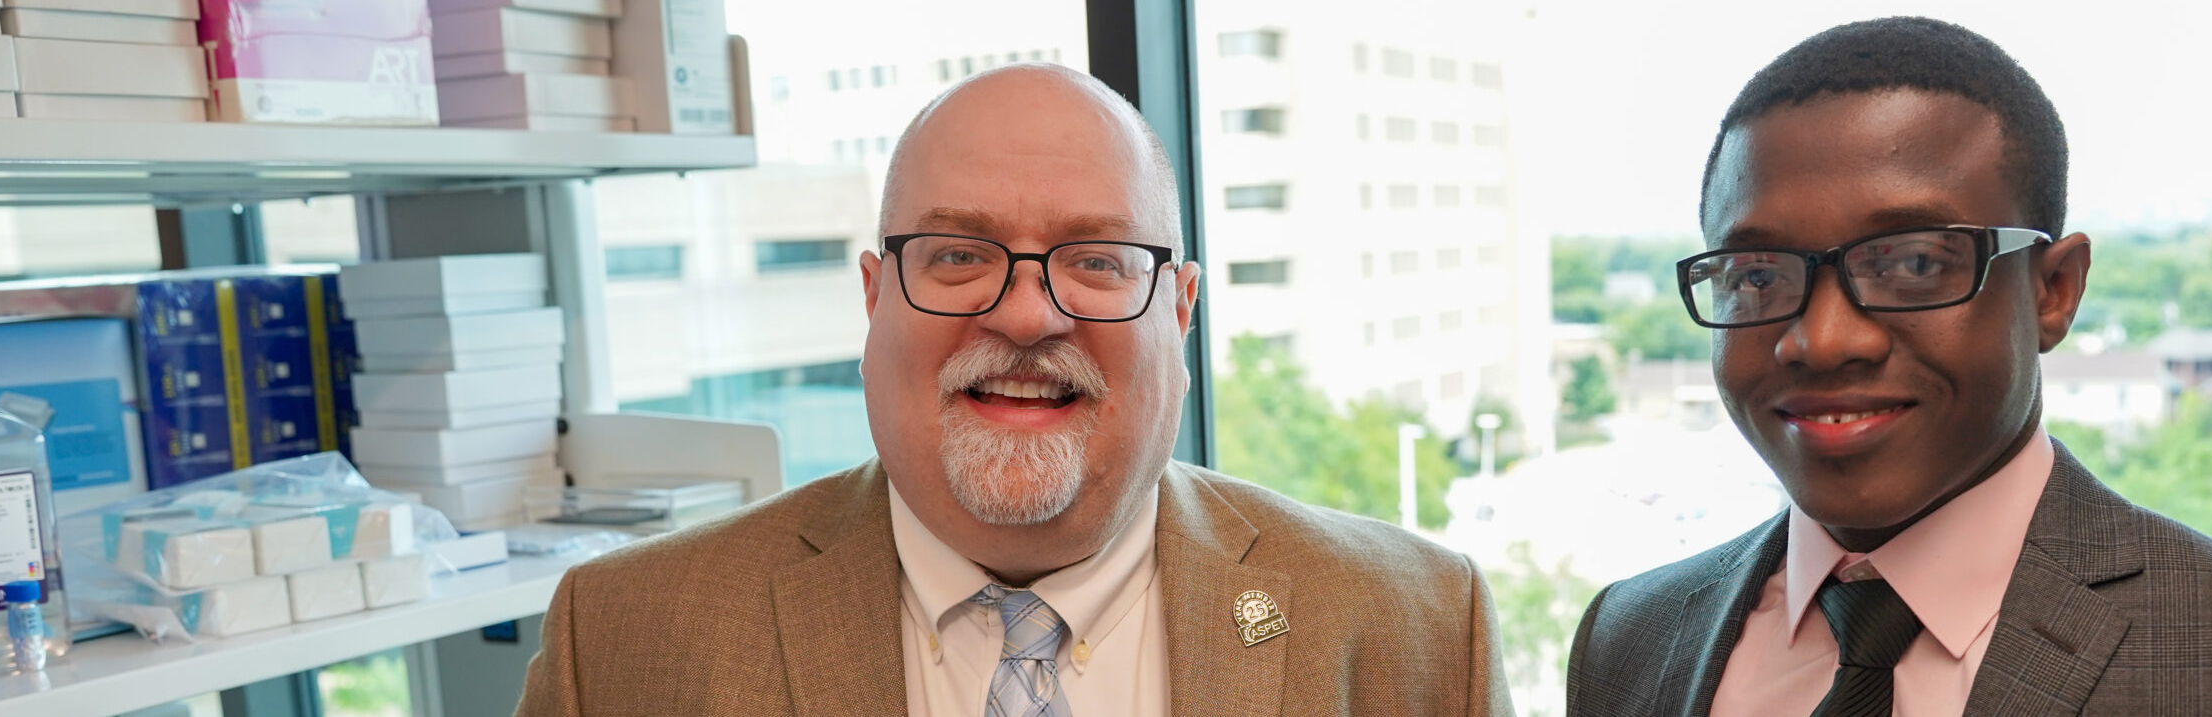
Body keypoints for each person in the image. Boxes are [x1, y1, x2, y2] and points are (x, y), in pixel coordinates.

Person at [515, 64, 1510, 717]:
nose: (1029, 316)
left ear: (1182, 309)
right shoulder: (622, 643)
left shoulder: (1414, 629)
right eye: (956, 255)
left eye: (1098, 260)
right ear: (874, 299)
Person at [1565, 17, 2212, 717]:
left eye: (1913, 262)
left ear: (2054, 290)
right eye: (1758, 275)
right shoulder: (1631, 638)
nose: (1824, 338)